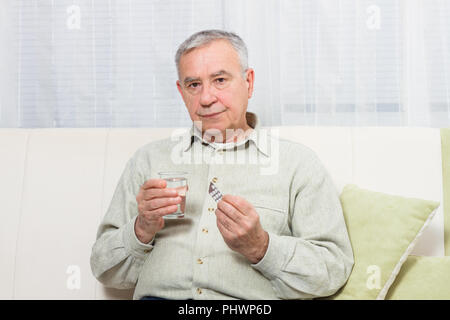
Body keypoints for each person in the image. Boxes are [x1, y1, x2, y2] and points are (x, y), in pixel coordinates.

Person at [90, 29, 354, 300]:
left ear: (248, 82)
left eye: (219, 80)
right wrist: (141, 229)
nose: (206, 98)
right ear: (182, 92)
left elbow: (333, 269)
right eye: (194, 85)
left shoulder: (298, 164)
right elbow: (104, 269)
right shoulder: (148, 159)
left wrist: (261, 247)